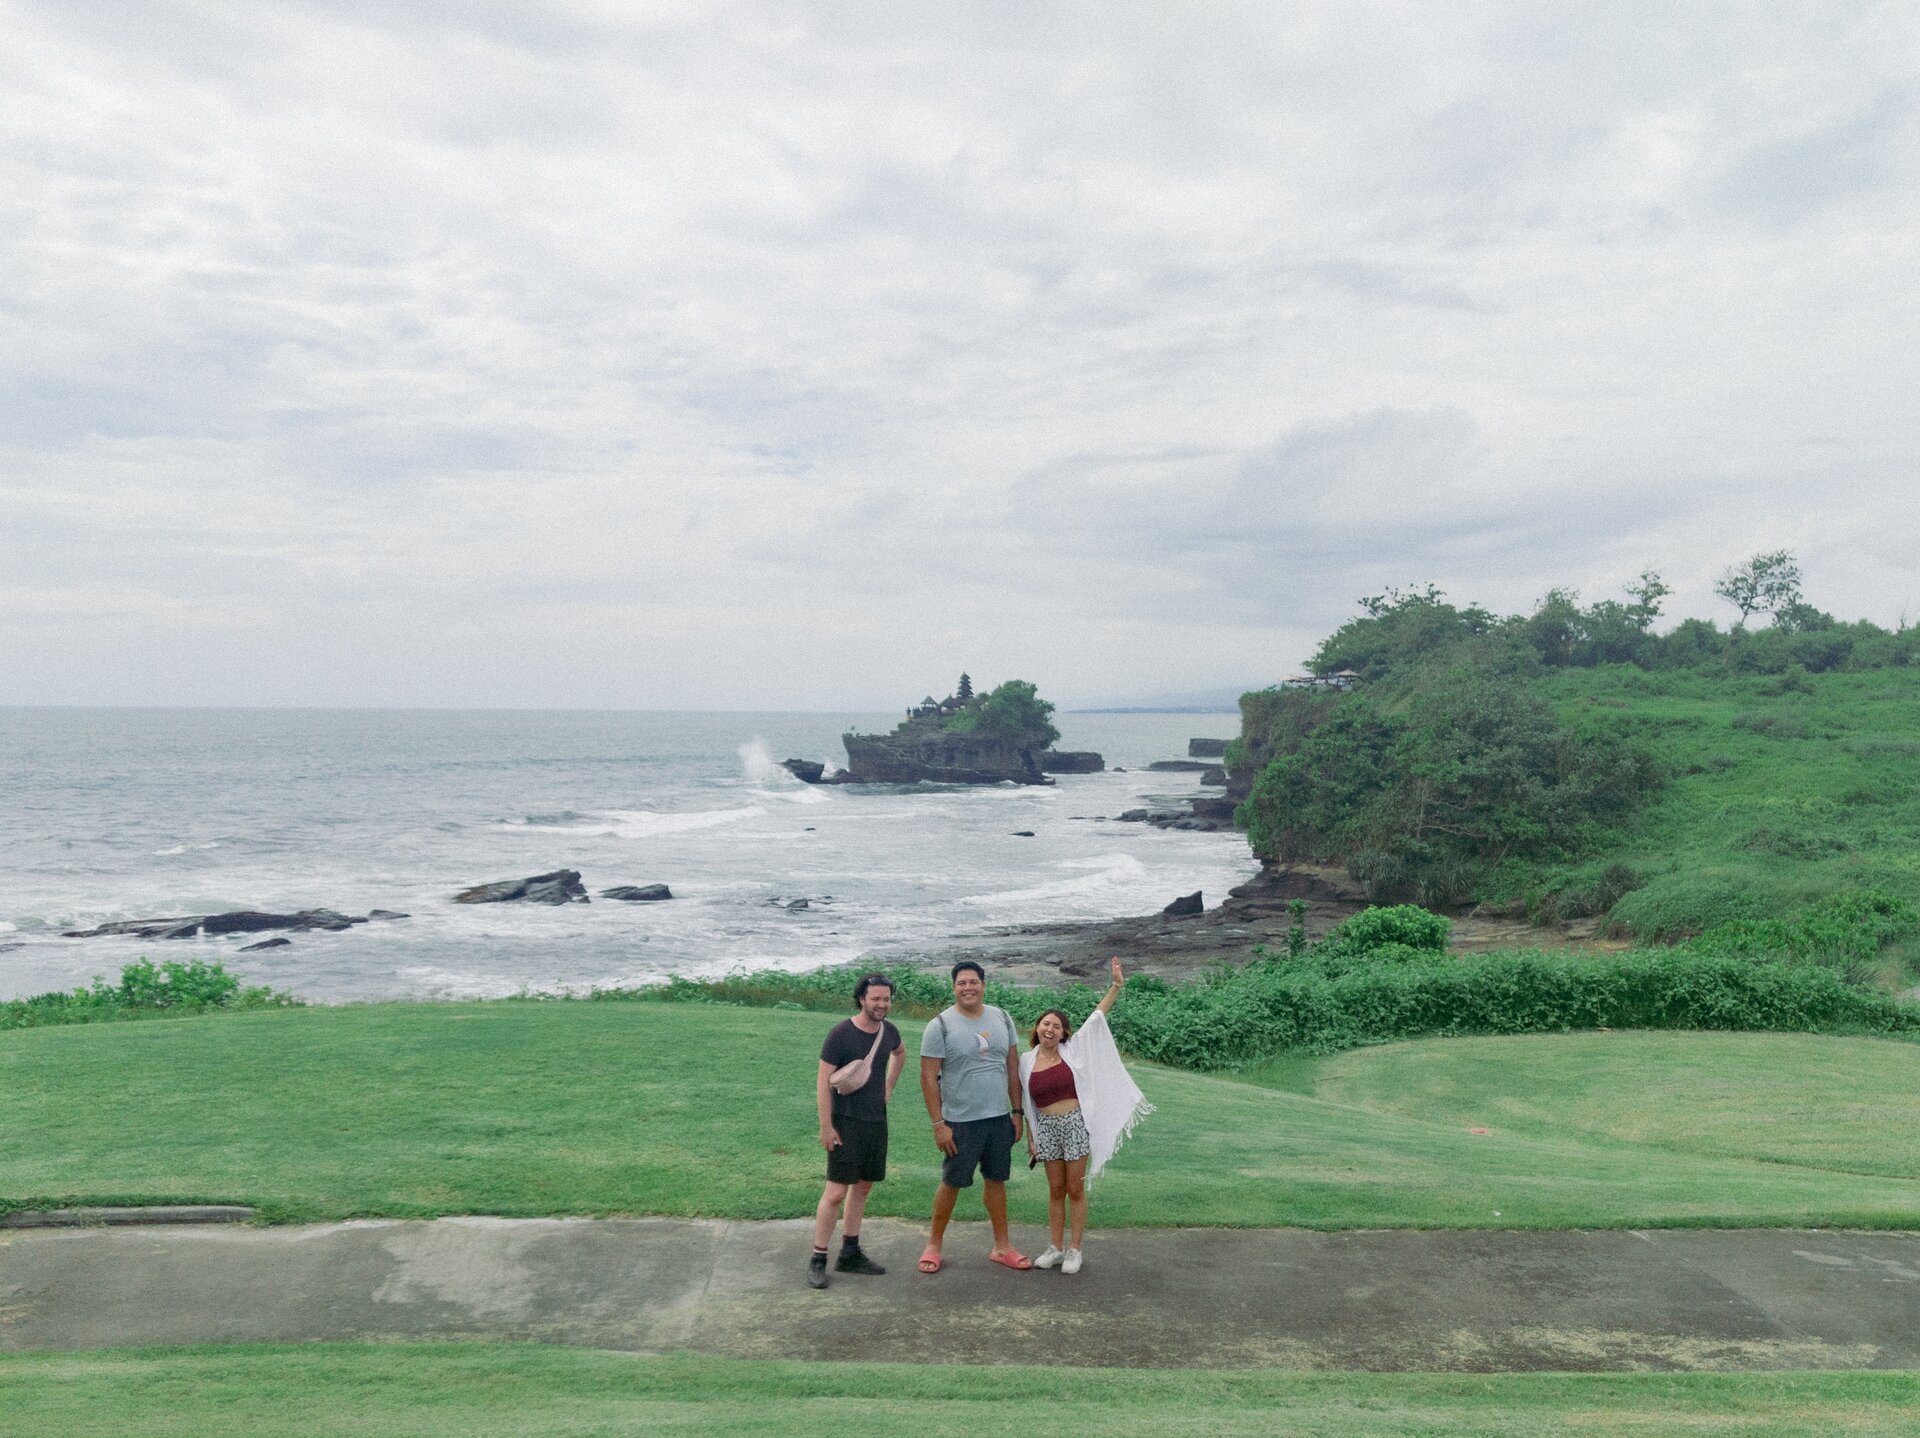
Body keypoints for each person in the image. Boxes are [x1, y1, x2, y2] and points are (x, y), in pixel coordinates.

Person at [1019, 956, 1152, 1274]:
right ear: (1037, 1028)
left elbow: (1096, 1018)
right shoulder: (1026, 1060)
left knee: (1074, 1189)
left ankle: (1075, 1249)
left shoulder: (1073, 1050)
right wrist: (1032, 1138)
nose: (1050, 1029)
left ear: (1063, 1033)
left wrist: (1116, 985)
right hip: (1046, 1128)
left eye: (1056, 1026)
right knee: (1055, 1190)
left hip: (1074, 1125)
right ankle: (1055, 1247)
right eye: (1045, 1024)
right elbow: (1027, 1103)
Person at [917, 959, 1029, 1274]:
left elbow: (1012, 1068)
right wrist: (938, 1124)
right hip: (960, 1123)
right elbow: (928, 1078)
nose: (968, 988)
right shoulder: (939, 1025)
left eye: (973, 982)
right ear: (954, 988)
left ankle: (1002, 1246)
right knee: (951, 1182)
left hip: (998, 1118)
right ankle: (933, 1245)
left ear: (983, 985)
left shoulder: (1002, 1018)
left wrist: (1017, 1112)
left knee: (997, 1181)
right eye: (962, 983)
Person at [809, 972, 905, 1289]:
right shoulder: (840, 1034)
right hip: (845, 1123)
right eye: (875, 998)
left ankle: (850, 1252)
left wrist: (889, 1085)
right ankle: (818, 1258)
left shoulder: (889, 1032)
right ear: (862, 999)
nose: (882, 1004)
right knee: (836, 1193)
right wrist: (826, 1127)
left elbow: (900, 1053)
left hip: (876, 1123)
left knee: (863, 1187)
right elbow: (822, 1083)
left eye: (886, 999)